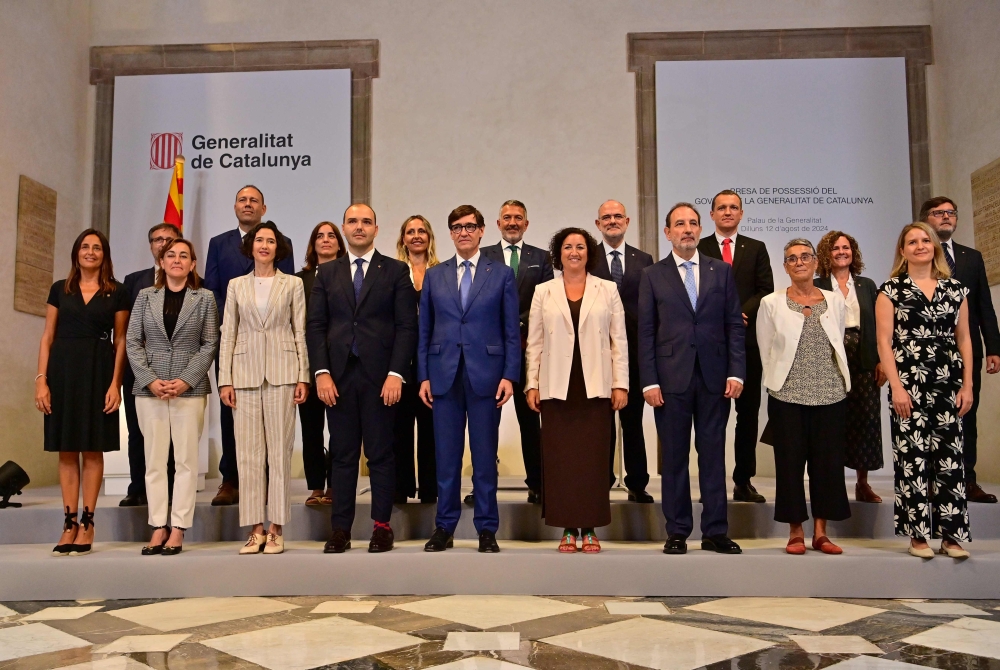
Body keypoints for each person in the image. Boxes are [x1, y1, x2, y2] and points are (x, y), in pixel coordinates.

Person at [307, 205, 417, 554]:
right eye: (352, 221)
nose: (359, 227)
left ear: (376, 229)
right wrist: (321, 373)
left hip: (381, 378)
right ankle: (340, 529)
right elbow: (316, 326)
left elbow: (406, 326)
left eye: (365, 222)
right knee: (341, 455)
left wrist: (396, 373)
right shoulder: (327, 273)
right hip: (337, 379)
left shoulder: (396, 271)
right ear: (344, 227)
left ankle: (382, 527)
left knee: (381, 454)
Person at [639, 203, 744, 556]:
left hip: (715, 378)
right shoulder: (653, 275)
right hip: (670, 381)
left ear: (700, 230)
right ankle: (678, 531)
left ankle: (716, 531)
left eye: (693, 224)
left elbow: (733, 325)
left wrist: (736, 371)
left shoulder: (721, 271)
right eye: (680, 224)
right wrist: (649, 381)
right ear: (667, 232)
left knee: (713, 457)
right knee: (674, 459)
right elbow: (646, 332)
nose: (688, 229)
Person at [418, 205, 520, 554]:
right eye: (457, 227)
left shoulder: (502, 274)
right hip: (443, 375)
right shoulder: (435, 275)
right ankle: (444, 527)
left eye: (470, 226)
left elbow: (511, 332)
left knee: (484, 456)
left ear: (481, 232)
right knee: (446, 459)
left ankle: (487, 529)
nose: (464, 232)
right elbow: (424, 330)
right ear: (450, 233)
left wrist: (509, 374)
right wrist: (423, 376)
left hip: (487, 376)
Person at [525, 228, 628, 553]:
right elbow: (535, 343)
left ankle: (591, 527)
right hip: (557, 388)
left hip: (595, 387)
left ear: (589, 252)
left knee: (593, 461)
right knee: (562, 461)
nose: (574, 252)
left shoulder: (607, 289)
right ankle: (569, 528)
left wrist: (620, 383)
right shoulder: (544, 291)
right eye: (568, 247)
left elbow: (619, 342)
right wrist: (532, 383)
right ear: (558, 254)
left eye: (580, 246)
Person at [876, 222, 975, 559]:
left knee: (950, 460)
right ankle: (917, 535)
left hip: (948, 382)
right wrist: (898, 388)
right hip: (908, 383)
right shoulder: (891, 289)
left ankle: (951, 535)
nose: (920, 246)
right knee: (912, 459)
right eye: (912, 242)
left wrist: (968, 384)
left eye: (925, 240)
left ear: (934, 245)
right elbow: (884, 344)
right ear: (902, 251)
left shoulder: (955, 289)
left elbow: (965, 339)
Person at [218, 221, 310, 555]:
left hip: (283, 374)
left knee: (279, 453)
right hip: (243, 376)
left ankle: (276, 528)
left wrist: (304, 376)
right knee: (248, 456)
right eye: (260, 240)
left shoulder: (293, 284)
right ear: (251, 246)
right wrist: (224, 379)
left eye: (271, 241)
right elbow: (228, 332)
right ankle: (255, 528)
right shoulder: (236, 285)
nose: (265, 245)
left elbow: (299, 330)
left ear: (278, 248)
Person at [35, 229, 129, 557]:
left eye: (97, 247)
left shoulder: (117, 292)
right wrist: (41, 380)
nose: (90, 252)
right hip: (62, 373)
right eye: (85, 247)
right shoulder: (60, 290)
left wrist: (115, 384)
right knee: (66, 449)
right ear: (76, 252)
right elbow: (47, 336)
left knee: (92, 449)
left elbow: (121, 341)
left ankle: (88, 522)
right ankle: (68, 522)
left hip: (99, 370)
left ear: (105, 254)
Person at [203, 185, 295, 506]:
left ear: (263, 209)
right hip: (234, 340)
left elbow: (287, 294)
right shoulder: (218, 244)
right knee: (231, 411)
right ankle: (231, 478)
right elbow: (211, 290)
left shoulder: (282, 243)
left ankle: (267, 476)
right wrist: (233, 322)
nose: (247, 204)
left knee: (272, 414)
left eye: (254, 200)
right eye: (242, 199)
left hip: (273, 346)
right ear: (235, 206)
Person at [758, 239, 852, 555]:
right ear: (785, 266)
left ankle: (821, 533)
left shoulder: (834, 300)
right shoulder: (771, 303)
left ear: (815, 262)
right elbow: (766, 350)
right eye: (792, 258)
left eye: (805, 257)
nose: (799, 262)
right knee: (790, 464)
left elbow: (838, 340)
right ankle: (796, 531)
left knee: (827, 465)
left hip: (831, 394)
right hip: (787, 395)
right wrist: (775, 386)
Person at [126, 239, 219, 555]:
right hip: (149, 390)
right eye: (171, 255)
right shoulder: (144, 296)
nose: (177, 260)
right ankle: (157, 526)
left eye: (184, 256)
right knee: (153, 461)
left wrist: (185, 380)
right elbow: (132, 341)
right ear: (162, 262)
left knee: (185, 461)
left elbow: (209, 344)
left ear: (192, 264)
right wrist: (150, 380)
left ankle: (178, 528)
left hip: (188, 391)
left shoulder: (204, 298)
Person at [920, 197, 1000, 504]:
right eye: (938, 213)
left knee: (966, 414)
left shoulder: (971, 257)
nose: (946, 217)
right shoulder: (918, 254)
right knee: (928, 417)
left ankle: (967, 480)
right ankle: (931, 482)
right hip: (928, 352)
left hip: (967, 352)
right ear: (926, 218)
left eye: (950, 212)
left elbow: (984, 306)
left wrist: (994, 346)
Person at [698, 190, 774, 503]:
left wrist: (739, 312)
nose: (728, 212)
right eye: (722, 208)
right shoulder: (698, 248)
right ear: (712, 215)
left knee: (748, 417)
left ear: (741, 214)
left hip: (747, 345)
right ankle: (711, 484)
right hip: (710, 347)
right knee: (711, 419)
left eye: (733, 208)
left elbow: (765, 290)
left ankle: (743, 481)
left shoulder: (755, 248)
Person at [480, 200, 553, 504]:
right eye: (506, 218)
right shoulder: (483, 256)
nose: (512, 222)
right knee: (485, 422)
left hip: (528, 350)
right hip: (489, 352)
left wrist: (517, 321)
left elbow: (547, 299)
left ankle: (538, 484)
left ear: (526, 223)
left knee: (530, 421)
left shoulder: (542, 257)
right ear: (498, 224)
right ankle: (483, 485)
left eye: (518, 218)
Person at [815, 230, 885, 502]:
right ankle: (834, 486)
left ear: (853, 253)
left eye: (846, 247)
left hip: (865, 356)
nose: (841, 252)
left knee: (866, 420)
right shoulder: (818, 284)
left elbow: (880, 326)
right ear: (826, 254)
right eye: (835, 248)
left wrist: (881, 360)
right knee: (833, 420)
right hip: (832, 356)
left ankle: (862, 484)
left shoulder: (867, 285)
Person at [591, 200, 654, 502]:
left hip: (635, 353)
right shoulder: (587, 259)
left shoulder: (644, 259)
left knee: (633, 421)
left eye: (617, 216)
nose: (612, 221)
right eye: (606, 217)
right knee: (602, 424)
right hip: (598, 352)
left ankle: (637, 483)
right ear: (597, 224)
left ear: (627, 221)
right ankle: (601, 480)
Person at [120, 222, 180, 507]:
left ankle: (170, 487)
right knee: (138, 431)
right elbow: (126, 332)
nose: (164, 243)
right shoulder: (133, 281)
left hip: (177, 372)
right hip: (138, 369)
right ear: (151, 246)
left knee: (172, 434)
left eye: (170, 239)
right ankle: (137, 487)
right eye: (158, 239)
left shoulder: (193, 281)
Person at [295, 221, 345, 507]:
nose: (325, 240)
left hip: (341, 364)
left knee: (340, 430)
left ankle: (336, 485)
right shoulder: (298, 280)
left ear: (339, 243)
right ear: (313, 244)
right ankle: (316, 486)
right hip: (307, 364)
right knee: (311, 428)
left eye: (331, 236)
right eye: (319, 236)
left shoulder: (349, 275)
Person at [393, 215, 440, 504]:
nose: (416, 236)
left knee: (431, 429)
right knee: (399, 428)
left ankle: (430, 491)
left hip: (433, 363)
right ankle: (400, 489)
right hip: (400, 362)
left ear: (429, 237)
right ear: (403, 239)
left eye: (421, 230)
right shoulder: (394, 272)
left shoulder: (442, 272)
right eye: (410, 231)